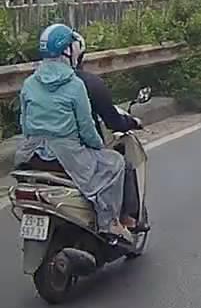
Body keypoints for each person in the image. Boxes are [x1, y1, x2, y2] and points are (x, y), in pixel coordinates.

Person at [15, 24, 130, 242]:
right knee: (115, 163)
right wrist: (99, 147)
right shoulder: (75, 85)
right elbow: (86, 128)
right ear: (68, 50)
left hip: (31, 155)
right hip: (66, 156)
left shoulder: (29, 83)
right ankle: (109, 223)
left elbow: (25, 124)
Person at [69, 31, 144, 230]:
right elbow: (94, 127)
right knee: (120, 164)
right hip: (73, 151)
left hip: (37, 153)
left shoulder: (33, 83)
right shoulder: (84, 85)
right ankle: (121, 219)